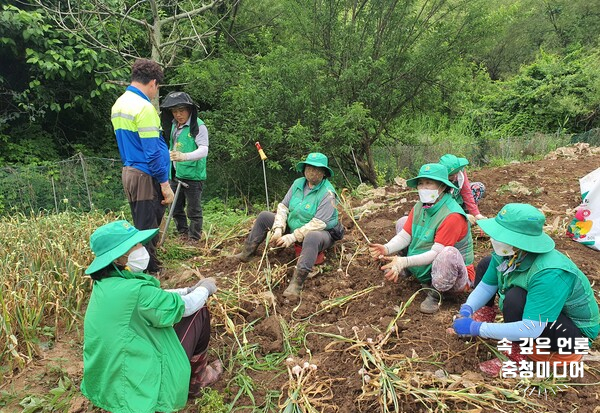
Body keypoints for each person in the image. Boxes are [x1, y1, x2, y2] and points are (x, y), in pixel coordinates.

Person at [80, 220, 222, 412]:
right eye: (135, 245)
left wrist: (188, 289)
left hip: (110, 379)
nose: (141, 247)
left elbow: (156, 298)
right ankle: (198, 380)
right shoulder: (137, 292)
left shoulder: (107, 284)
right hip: (136, 381)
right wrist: (205, 289)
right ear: (117, 258)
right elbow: (185, 307)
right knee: (199, 312)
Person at [452, 203, 599, 376]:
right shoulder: (509, 253)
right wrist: (468, 308)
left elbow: (532, 328)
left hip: (572, 336)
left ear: (520, 240)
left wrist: (478, 328)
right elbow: (486, 286)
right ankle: (483, 317)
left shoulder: (549, 273)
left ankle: (516, 358)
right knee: (485, 264)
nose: (494, 239)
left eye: (501, 235)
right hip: (545, 318)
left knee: (516, 298)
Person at [232, 152, 344, 301]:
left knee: (312, 236)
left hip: (320, 234)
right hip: (294, 226)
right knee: (264, 216)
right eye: (310, 167)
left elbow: (318, 223)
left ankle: (297, 282)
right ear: (304, 169)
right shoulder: (298, 184)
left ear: (324, 173)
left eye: (317, 169)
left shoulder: (328, 193)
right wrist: (278, 228)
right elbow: (284, 207)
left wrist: (292, 237)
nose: (312, 172)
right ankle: (246, 253)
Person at [369, 163, 474, 314]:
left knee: (447, 253)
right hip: (430, 262)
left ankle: (436, 293)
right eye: (420, 183)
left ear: (442, 187)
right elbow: (405, 236)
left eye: (429, 183)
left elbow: (436, 253)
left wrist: (403, 261)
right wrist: (386, 248)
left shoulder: (453, 216)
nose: (423, 188)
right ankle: (411, 271)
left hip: (454, 277)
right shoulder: (420, 206)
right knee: (402, 222)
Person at [111, 58, 174, 274]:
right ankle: (149, 274)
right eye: (157, 88)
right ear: (153, 83)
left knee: (143, 223)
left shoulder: (119, 104)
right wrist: (165, 184)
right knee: (147, 228)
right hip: (145, 175)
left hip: (130, 172)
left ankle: (152, 266)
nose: (156, 92)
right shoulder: (144, 107)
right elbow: (152, 151)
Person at [160, 91, 209, 242]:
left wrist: (184, 156)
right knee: (175, 208)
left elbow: (204, 150)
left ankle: (194, 238)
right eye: (174, 111)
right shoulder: (174, 126)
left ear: (189, 110)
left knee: (193, 210)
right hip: (175, 173)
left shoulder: (199, 127)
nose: (178, 115)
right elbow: (173, 145)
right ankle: (183, 233)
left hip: (193, 175)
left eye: (181, 111)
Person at [438, 154, 486, 223]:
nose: (455, 177)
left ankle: (466, 211)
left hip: (457, 197)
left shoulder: (461, 171)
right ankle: (459, 215)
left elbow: (466, 192)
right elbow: (442, 202)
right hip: (446, 205)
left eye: (456, 173)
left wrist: (476, 214)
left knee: (478, 187)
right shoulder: (438, 182)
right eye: (451, 175)